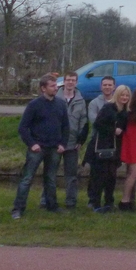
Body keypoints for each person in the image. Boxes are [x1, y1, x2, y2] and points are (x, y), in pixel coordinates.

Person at [11, 74, 69, 219]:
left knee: (51, 179)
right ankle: (18, 209)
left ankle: (52, 206)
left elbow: (66, 127)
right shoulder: (34, 105)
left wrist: (63, 144)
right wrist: (32, 144)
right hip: (38, 148)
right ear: (43, 88)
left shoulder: (61, 104)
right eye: (52, 86)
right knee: (27, 179)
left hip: (54, 148)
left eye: (56, 86)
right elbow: (23, 127)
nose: (55, 88)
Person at [90, 85, 130, 213]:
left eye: (127, 95)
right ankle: (95, 203)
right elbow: (97, 124)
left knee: (111, 176)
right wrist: (113, 130)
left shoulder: (125, 111)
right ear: (117, 95)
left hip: (116, 147)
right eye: (122, 95)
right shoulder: (108, 108)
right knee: (100, 176)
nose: (124, 97)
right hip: (103, 146)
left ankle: (109, 202)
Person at [55, 71, 87, 209]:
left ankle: (71, 201)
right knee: (51, 173)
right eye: (68, 80)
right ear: (64, 81)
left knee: (71, 175)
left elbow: (83, 121)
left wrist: (81, 140)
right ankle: (46, 200)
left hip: (73, 143)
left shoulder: (81, 100)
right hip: (55, 142)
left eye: (73, 80)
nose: (70, 82)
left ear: (76, 82)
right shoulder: (55, 98)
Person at [83, 75, 115, 207]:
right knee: (96, 174)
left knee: (111, 174)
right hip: (97, 142)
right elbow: (95, 122)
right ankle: (93, 199)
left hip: (113, 143)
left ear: (114, 87)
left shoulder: (117, 102)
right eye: (105, 85)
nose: (107, 87)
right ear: (101, 87)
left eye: (110, 85)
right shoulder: (94, 103)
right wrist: (113, 127)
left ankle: (109, 200)